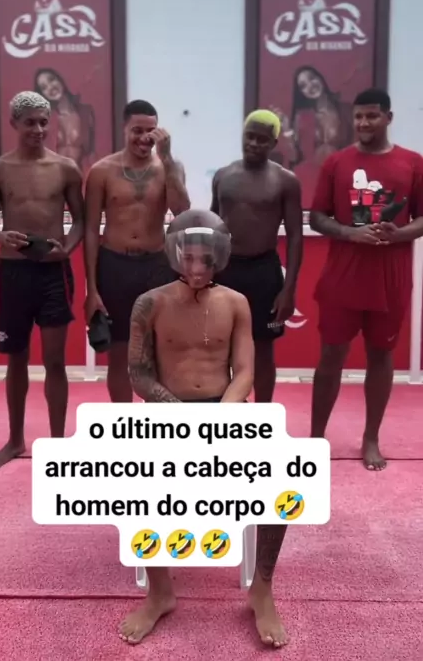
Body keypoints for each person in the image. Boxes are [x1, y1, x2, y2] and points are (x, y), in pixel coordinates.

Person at [119, 209, 288, 648]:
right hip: (166, 413)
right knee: (135, 484)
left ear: (220, 258)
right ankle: (160, 592)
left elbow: (245, 371)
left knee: (281, 480)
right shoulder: (149, 303)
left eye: (206, 260)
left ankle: (262, 589)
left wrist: (219, 418)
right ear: (175, 254)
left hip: (224, 410)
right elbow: (139, 376)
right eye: (189, 257)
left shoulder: (236, 302)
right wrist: (180, 416)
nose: (197, 268)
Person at [309, 89, 423, 470]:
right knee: (331, 355)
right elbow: (317, 217)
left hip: (390, 279)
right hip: (343, 277)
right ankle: (316, 437)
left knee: (380, 356)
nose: (363, 123)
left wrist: (400, 233)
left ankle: (371, 437)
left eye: (372, 116)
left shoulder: (413, 163)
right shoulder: (336, 162)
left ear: (388, 117)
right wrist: (350, 233)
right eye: (358, 116)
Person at [0, 91, 84, 469]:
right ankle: (15, 440)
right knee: (16, 358)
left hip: (52, 273)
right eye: (30, 123)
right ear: (14, 124)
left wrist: (66, 249)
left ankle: (56, 444)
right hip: (12, 273)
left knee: (55, 360)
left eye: (43, 122)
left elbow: (81, 221)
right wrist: (1, 236)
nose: (38, 129)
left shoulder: (66, 168)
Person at [84, 99, 190, 402]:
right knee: (118, 354)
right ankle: (123, 421)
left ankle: (153, 422)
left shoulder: (169, 168)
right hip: (115, 266)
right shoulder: (102, 171)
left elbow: (181, 211)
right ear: (124, 129)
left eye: (150, 131)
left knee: (156, 352)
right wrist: (92, 289)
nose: (144, 138)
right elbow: (90, 230)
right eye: (137, 130)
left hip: (156, 266)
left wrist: (167, 159)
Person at [211, 110, 303, 402]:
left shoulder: (286, 181)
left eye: (262, 139)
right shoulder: (223, 175)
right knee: (222, 347)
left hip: (264, 272)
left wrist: (289, 290)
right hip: (226, 270)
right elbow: (213, 224)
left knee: (263, 349)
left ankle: (264, 412)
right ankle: (230, 410)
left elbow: (295, 236)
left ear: (274, 143)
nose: (253, 143)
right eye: (249, 136)